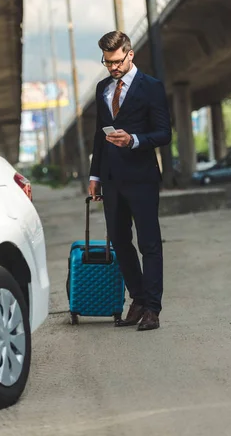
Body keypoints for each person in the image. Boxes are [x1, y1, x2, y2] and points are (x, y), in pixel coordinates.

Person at [88, 30, 171, 331]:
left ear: (130, 54)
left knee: (149, 243)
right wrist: (95, 175)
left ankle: (152, 308)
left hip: (142, 177)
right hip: (111, 179)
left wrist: (134, 139)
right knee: (120, 242)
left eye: (117, 62)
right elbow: (100, 135)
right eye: (107, 63)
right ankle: (137, 300)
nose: (113, 68)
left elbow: (164, 133)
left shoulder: (151, 87)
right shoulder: (102, 90)